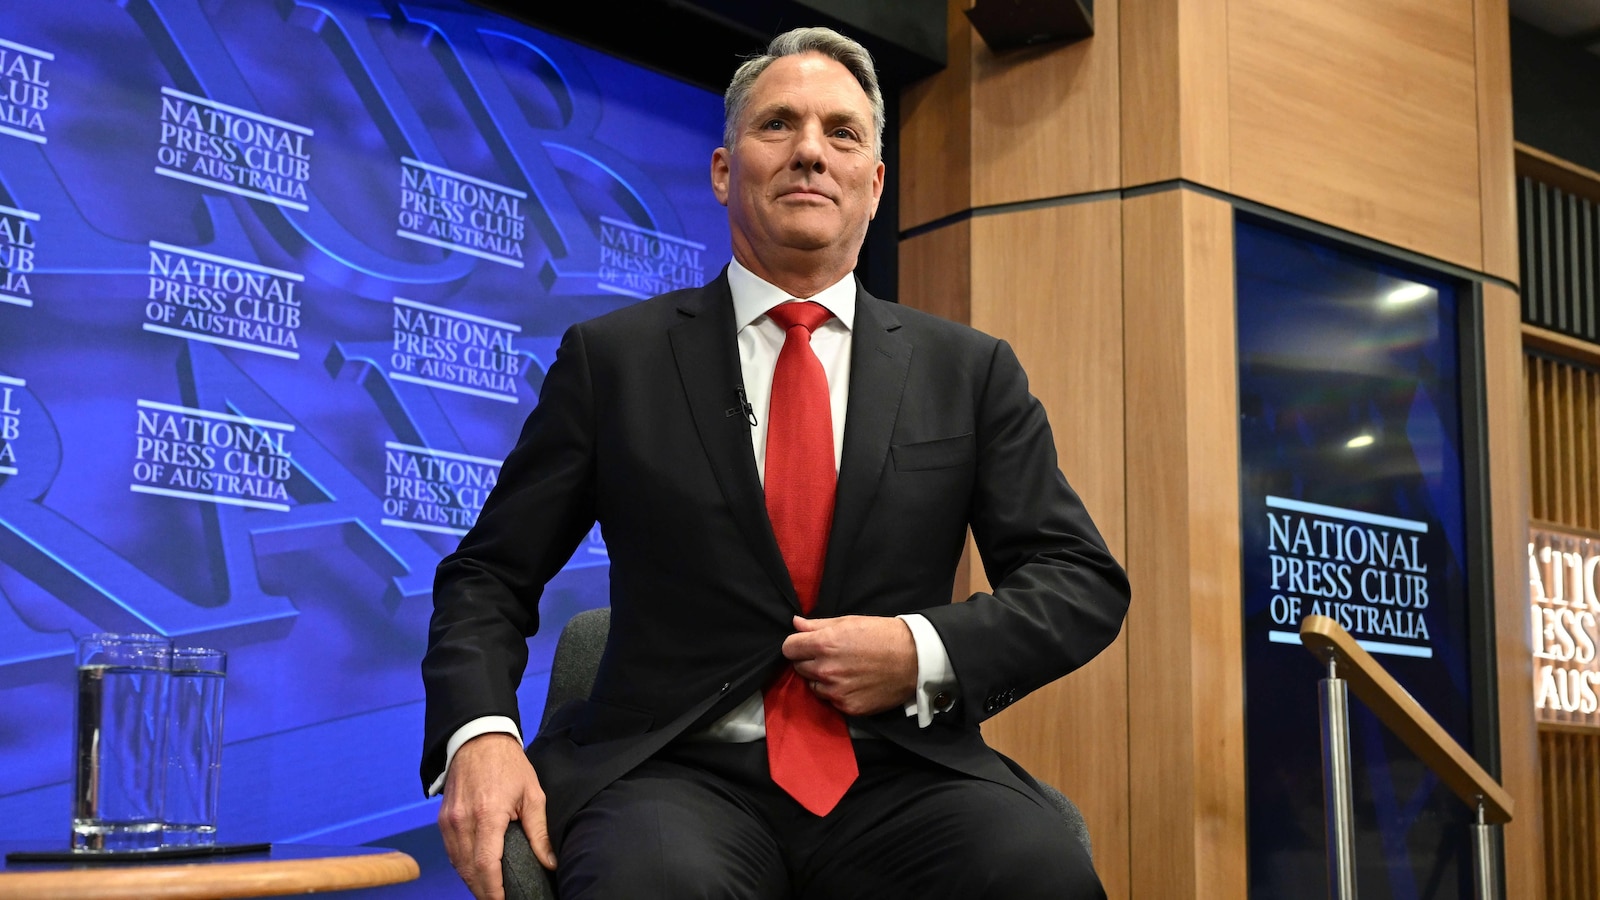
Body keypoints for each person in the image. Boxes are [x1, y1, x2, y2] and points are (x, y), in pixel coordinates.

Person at [421, 25, 1130, 900]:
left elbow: (1079, 580)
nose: (810, 152)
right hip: (673, 773)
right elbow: (489, 574)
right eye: (778, 124)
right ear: (724, 171)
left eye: (842, 132)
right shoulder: (615, 362)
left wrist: (921, 649)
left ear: (875, 183)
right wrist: (481, 734)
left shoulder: (971, 371)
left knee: (1037, 872)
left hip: (901, 774)